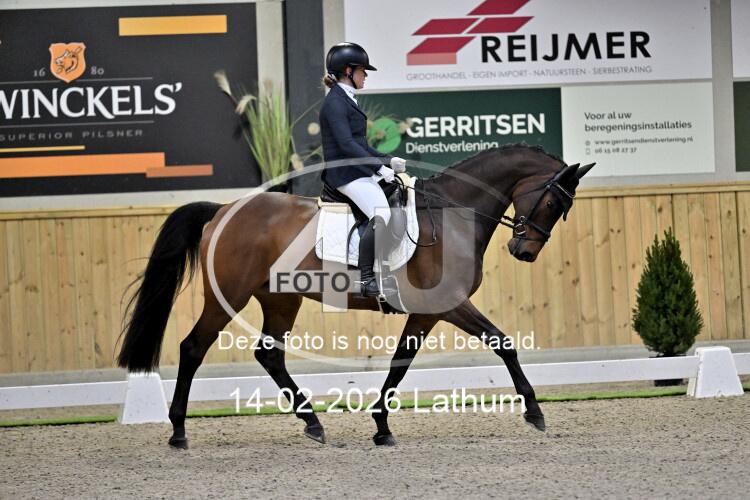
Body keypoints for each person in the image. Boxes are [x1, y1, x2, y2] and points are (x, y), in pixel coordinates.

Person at [319, 42, 407, 298]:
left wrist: (388, 161)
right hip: (344, 175)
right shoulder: (335, 102)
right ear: (348, 71)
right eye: (362, 70)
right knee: (381, 215)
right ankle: (366, 279)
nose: (365, 75)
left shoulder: (346, 99)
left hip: (356, 170)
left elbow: (361, 145)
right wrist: (378, 167)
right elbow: (346, 145)